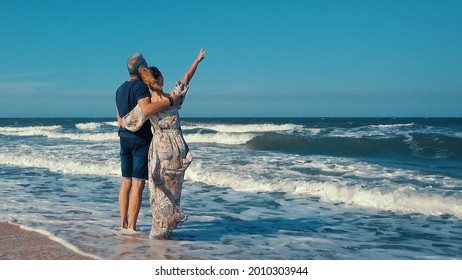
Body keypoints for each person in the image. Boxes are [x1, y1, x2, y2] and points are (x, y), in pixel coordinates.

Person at [120, 48, 207, 238]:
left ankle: (157, 228)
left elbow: (128, 122)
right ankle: (167, 227)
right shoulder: (172, 98)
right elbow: (186, 78)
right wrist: (197, 61)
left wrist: (120, 119)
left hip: (158, 151)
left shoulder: (148, 104)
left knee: (158, 191)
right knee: (173, 192)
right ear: (159, 80)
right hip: (175, 148)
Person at [115, 53, 184, 231]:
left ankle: (123, 223)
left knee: (125, 183)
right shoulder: (141, 87)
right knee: (138, 184)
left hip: (123, 138)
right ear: (141, 69)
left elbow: (120, 119)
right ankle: (132, 227)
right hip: (139, 140)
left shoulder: (119, 90)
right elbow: (146, 109)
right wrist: (170, 100)